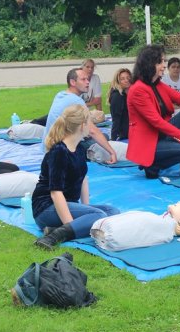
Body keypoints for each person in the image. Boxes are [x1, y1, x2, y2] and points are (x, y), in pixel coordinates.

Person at [33, 105, 121, 250]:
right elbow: (55, 193)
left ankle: (56, 230)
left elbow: (83, 179)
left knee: (112, 212)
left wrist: (85, 209)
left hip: (68, 204)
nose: (91, 126)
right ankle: (55, 236)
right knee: (98, 214)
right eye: (89, 122)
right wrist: (71, 226)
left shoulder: (79, 148)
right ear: (82, 126)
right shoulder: (59, 152)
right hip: (46, 208)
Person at [127, 45, 180, 178]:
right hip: (150, 143)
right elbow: (157, 122)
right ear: (150, 64)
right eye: (161, 62)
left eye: (164, 61)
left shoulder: (156, 84)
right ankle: (153, 164)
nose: (164, 65)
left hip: (161, 135)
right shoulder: (138, 90)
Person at [43, 68, 116, 158]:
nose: (88, 82)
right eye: (83, 79)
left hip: (47, 145)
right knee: (104, 137)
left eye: (87, 79)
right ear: (73, 82)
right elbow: (93, 131)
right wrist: (112, 152)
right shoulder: (76, 101)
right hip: (61, 150)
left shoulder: (60, 94)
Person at [108, 68, 132, 141]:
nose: (126, 80)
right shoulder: (117, 96)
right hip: (125, 133)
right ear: (118, 81)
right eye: (122, 79)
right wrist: (113, 139)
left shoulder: (129, 93)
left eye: (128, 77)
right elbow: (116, 119)